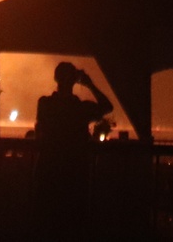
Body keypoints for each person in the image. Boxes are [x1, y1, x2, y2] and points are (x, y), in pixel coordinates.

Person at [33, 62, 114, 240]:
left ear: (56, 79)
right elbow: (107, 106)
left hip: (48, 171)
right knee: (72, 224)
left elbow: (39, 131)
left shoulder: (45, 104)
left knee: (46, 223)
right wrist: (90, 84)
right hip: (74, 174)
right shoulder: (80, 108)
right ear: (75, 80)